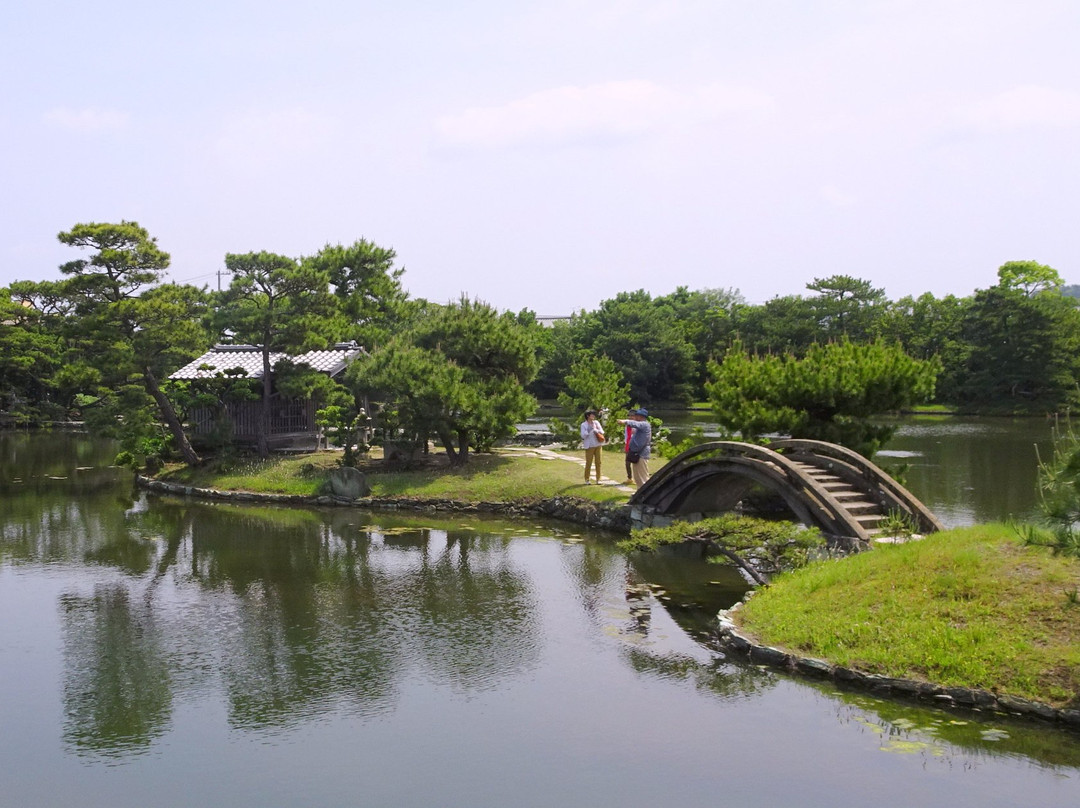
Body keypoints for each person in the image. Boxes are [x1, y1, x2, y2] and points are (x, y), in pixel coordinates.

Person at [618, 408, 652, 487]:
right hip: (636, 453)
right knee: (637, 475)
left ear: (641, 417)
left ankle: (646, 493)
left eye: (637, 416)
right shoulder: (640, 426)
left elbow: (634, 424)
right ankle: (639, 492)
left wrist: (624, 421)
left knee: (643, 475)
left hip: (642, 453)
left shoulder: (644, 424)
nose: (635, 417)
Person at [580, 409, 606, 485]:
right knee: (589, 463)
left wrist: (596, 430)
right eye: (592, 414)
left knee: (598, 462)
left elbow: (602, 431)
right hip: (589, 446)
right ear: (588, 416)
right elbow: (583, 435)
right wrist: (588, 430)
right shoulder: (583, 425)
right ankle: (587, 479)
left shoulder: (596, 423)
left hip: (598, 445)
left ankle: (598, 479)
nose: (594, 416)